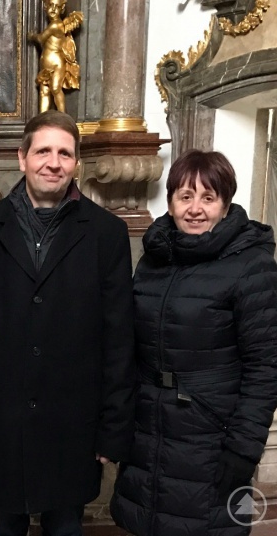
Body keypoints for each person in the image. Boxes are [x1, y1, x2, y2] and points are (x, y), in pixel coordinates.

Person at [0, 110, 136, 536]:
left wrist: (112, 428)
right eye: (43, 150)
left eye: (65, 153)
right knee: (3, 524)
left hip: (74, 421)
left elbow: (119, 340)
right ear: (22, 157)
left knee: (65, 524)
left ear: (76, 163)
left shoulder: (107, 234)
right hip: (0, 417)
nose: (54, 162)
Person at [111, 149, 277, 535]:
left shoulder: (251, 265)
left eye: (208, 197)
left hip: (210, 433)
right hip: (148, 425)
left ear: (225, 202)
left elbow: (265, 366)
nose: (195, 208)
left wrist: (243, 447)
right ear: (170, 201)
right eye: (185, 196)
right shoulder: (154, 258)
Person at [28, 0, 83, 113]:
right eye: (51, 5)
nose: (53, 9)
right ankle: (41, 119)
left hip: (57, 63)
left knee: (55, 88)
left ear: (62, 9)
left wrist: (31, 36)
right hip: (46, 63)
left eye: (57, 7)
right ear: (46, 6)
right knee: (44, 90)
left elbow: (41, 39)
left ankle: (63, 116)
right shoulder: (53, 24)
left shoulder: (55, 26)